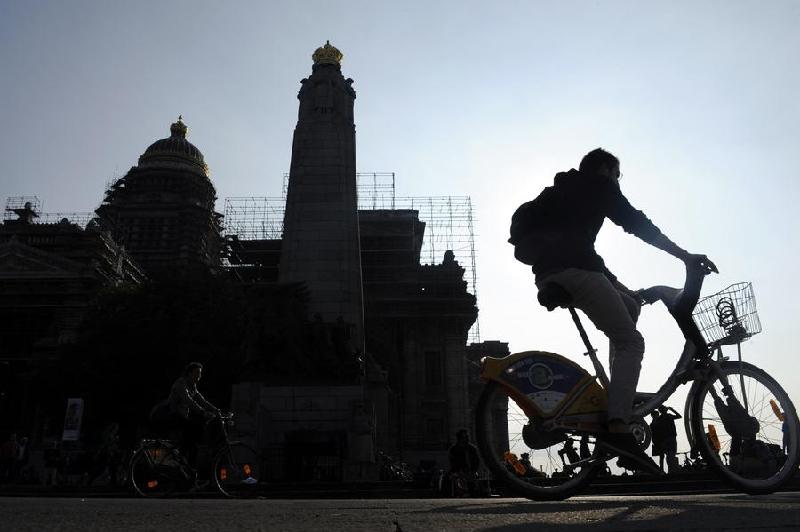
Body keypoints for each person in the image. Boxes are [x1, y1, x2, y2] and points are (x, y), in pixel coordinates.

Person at [521, 148, 717, 471]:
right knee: (632, 342)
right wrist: (684, 255)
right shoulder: (598, 187)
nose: (617, 182)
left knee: (629, 308)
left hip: (554, 272)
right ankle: (617, 426)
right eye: (617, 175)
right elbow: (636, 223)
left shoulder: (567, 192)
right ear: (605, 170)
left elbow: (585, 253)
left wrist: (623, 289)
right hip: (575, 271)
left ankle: (615, 399)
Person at [167, 362, 219, 470]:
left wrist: (217, 410)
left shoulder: (192, 386)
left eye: (200, 374)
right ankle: (179, 460)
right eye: (197, 373)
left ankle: (188, 468)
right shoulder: (181, 383)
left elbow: (202, 400)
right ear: (189, 374)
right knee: (194, 430)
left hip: (182, 417)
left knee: (193, 442)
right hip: (173, 415)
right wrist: (202, 412)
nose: (199, 376)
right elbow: (188, 400)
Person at [448, 429, 480, 495]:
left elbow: (476, 461)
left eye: (467, 437)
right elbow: (452, 462)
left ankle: (471, 491)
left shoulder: (472, 448)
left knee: (472, 479)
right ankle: (461, 492)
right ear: (459, 438)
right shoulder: (454, 449)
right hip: (458, 470)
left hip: (471, 470)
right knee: (457, 478)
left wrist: (473, 470)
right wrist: (457, 470)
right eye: (464, 437)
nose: (466, 438)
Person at [651, 405, 682, 473]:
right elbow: (679, 416)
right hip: (671, 438)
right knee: (671, 455)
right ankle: (672, 470)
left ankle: (669, 470)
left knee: (668, 456)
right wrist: (672, 410)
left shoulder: (659, 419)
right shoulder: (669, 416)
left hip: (664, 439)